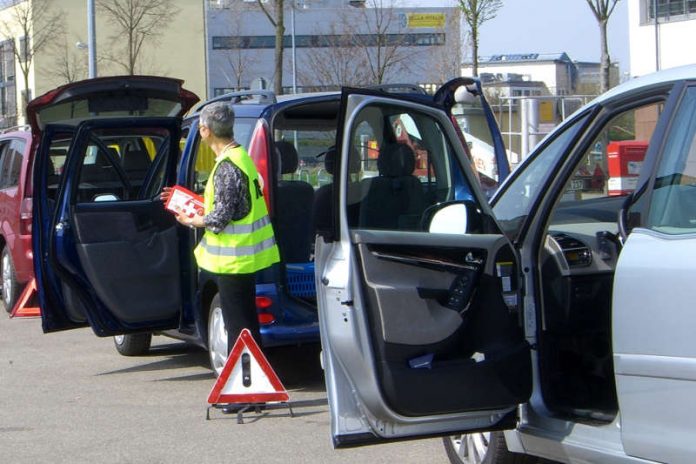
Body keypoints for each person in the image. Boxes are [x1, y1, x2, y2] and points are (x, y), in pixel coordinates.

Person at [162, 101, 279, 353]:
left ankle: (247, 381)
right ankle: (252, 377)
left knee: (239, 328)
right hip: (244, 257)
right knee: (246, 326)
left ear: (205, 131)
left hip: (233, 260)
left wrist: (190, 219)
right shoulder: (241, 157)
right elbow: (233, 204)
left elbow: (220, 217)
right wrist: (189, 200)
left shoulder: (226, 166)